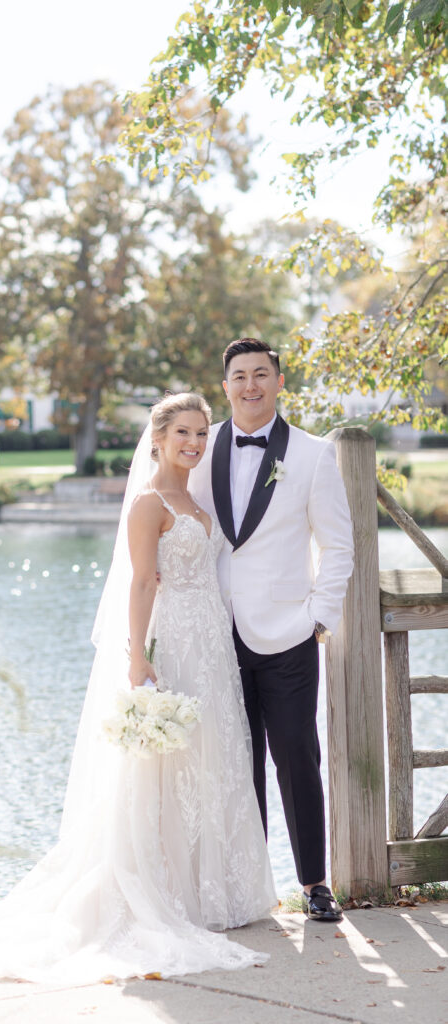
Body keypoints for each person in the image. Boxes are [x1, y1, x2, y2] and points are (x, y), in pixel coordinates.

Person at [0, 392, 275, 983]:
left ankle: (213, 895)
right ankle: (166, 894)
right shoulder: (148, 503)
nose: (193, 443)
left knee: (209, 757)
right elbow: (141, 585)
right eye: (183, 433)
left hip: (212, 645)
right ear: (158, 439)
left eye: (201, 433)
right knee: (163, 767)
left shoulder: (195, 497)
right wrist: (136, 657)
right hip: (173, 644)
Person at [189, 338, 354, 923]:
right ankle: (248, 887)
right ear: (225, 385)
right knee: (235, 762)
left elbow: (338, 548)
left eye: (262, 374)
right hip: (214, 633)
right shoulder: (198, 449)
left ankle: (314, 883)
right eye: (239, 376)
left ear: (279, 382)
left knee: (296, 758)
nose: (250, 385)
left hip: (287, 634)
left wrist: (317, 619)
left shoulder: (310, 456)